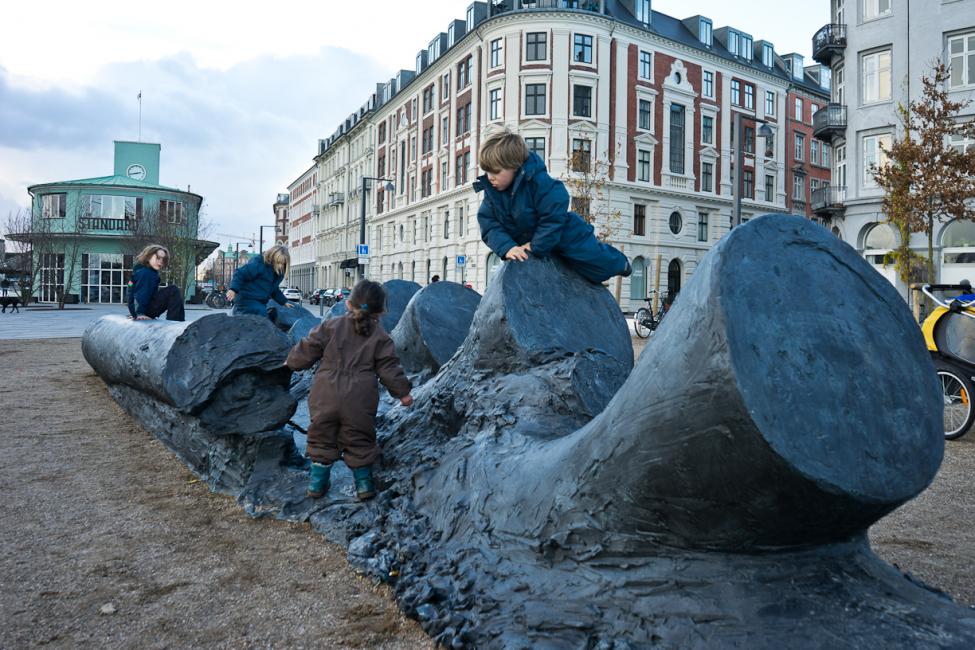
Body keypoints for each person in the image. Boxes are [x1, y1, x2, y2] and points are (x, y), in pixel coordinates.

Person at [286, 279, 413, 500]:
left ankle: (317, 484)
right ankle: (364, 485)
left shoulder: (329, 326)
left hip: (325, 392)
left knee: (321, 436)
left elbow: (307, 348)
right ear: (381, 310)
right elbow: (389, 369)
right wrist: (403, 393)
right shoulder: (380, 337)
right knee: (360, 438)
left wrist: (292, 362)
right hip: (360, 397)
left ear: (347, 304)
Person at [473, 127, 631, 284]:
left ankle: (619, 263)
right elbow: (489, 225)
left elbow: (553, 217)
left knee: (592, 261)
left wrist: (536, 246)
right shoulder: (492, 195)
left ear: (514, 166)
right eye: (487, 172)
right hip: (527, 241)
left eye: (496, 172)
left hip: (563, 233)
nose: (490, 178)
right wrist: (508, 247)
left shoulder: (538, 182)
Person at [226, 245, 294, 320]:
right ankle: (238, 313)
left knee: (267, 313)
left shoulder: (275, 274)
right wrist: (233, 289)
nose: (280, 266)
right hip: (246, 299)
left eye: (283, 264)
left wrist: (284, 301)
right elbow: (240, 273)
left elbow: (274, 290)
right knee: (261, 313)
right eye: (278, 263)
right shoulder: (259, 264)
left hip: (259, 301)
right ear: (272, 258)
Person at [127, 244, 185, 321]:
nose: (161, 261)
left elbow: (130, 290)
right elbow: (139, 294)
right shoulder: (146, 273)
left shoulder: (145, 271)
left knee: (173, 291)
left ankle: (178, 321)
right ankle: (175, 322)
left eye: (163, 259)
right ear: (148, 257)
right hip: (145, 310)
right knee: (173, 290)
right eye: (158, 258)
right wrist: (139, 313)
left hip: (147, 308)